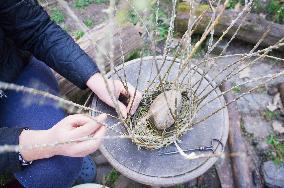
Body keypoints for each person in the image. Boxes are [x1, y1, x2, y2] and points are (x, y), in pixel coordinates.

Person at [0, 0, 142, 187]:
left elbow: (37, 28)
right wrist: (46, 142)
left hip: (14, 75)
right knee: (50, 172)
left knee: (63, 162)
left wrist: (95, 79)